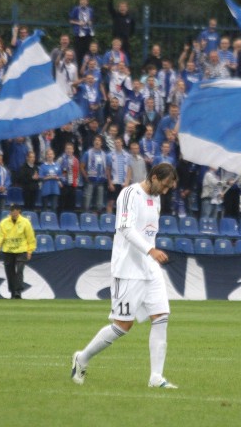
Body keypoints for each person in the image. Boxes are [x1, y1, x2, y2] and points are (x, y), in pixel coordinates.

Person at [71, 163, 178, 389]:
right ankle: (82, 357)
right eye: (165, 185)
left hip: (150, 268)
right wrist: (151, 250)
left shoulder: (157, 198)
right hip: (128, 269)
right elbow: (126, 230)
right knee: (122, 326)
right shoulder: (129, 194)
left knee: (161, 317)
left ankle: (156, 377)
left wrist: (151, 254)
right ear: (155, 177)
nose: (165, 191)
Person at [0, 205, 36, 300]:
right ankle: (12, 291)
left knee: (19, 271)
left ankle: (18, 291)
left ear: (19, 211)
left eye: (15, 212)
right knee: (9, 272)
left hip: (21, 250)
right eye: (12, 212)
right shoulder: (4, 223)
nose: (14, 214)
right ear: (10, 212)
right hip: (8, 250)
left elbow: (30, 237)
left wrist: (29, 251)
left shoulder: (25, 222)